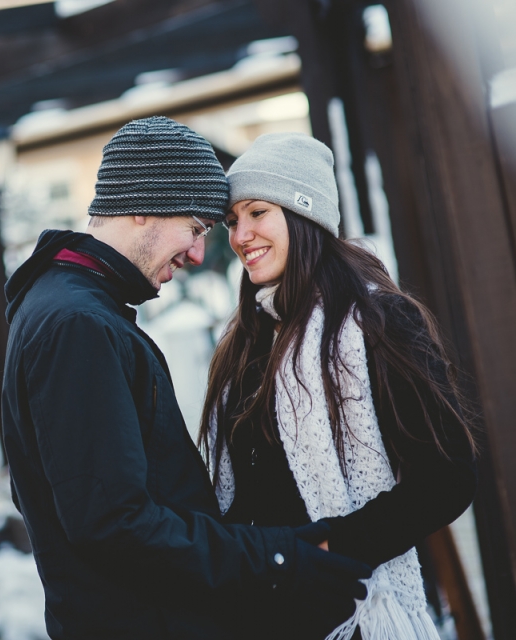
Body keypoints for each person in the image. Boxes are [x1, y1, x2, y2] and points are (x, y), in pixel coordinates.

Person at [1, 116, 371, 640]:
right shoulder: (77, 325)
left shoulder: (69, 309)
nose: (199, 254)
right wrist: (278, 557)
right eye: (195, 228)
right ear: (142, 205)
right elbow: (114, 523)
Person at [200, 132, 478, 639]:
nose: (240, 235)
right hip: (266, 617)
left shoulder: (377, 322)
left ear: (304, 213)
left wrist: (332, 547)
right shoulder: (245, 340)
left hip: (356, 614)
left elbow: (447, 476)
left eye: (257, 212)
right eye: (232, 220)